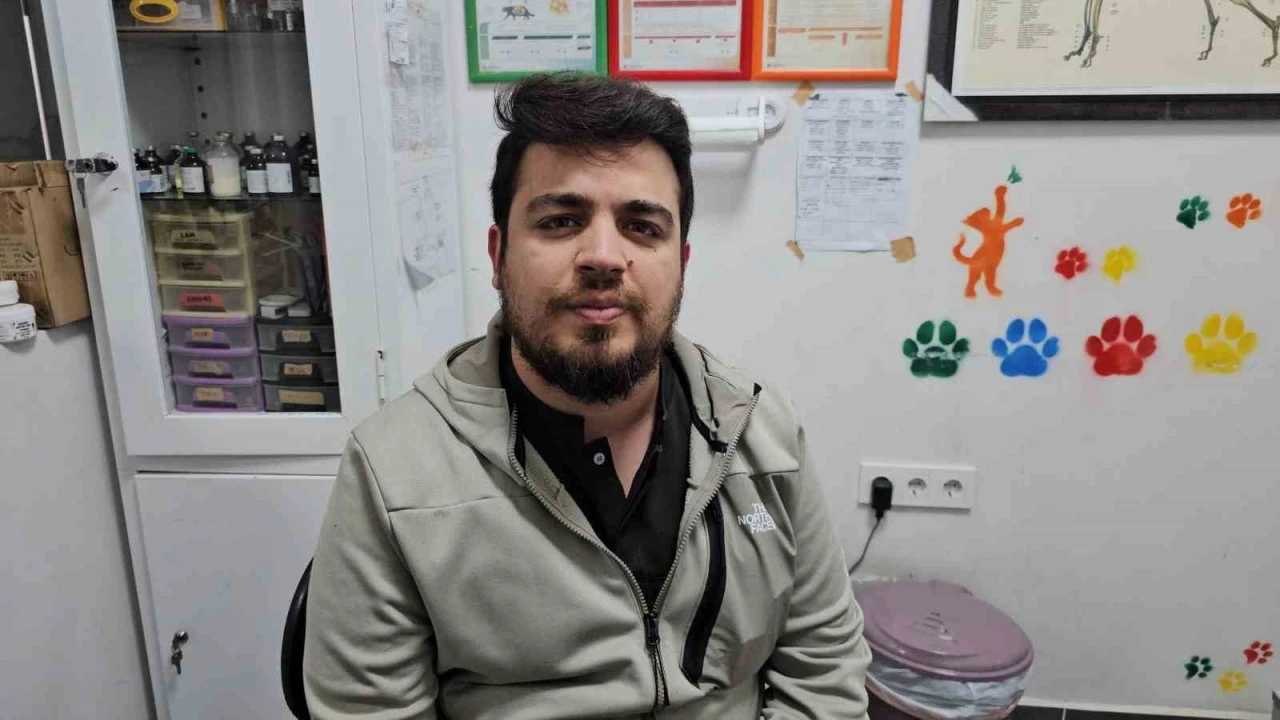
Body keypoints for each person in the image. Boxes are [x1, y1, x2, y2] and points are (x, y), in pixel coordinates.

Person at [303, 72, 871, 719]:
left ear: (681, 261)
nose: (603, 256)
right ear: (498, 255)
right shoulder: (393, 472)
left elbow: (824, 675)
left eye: (642, 227)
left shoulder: (764, 435)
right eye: (561, 221)